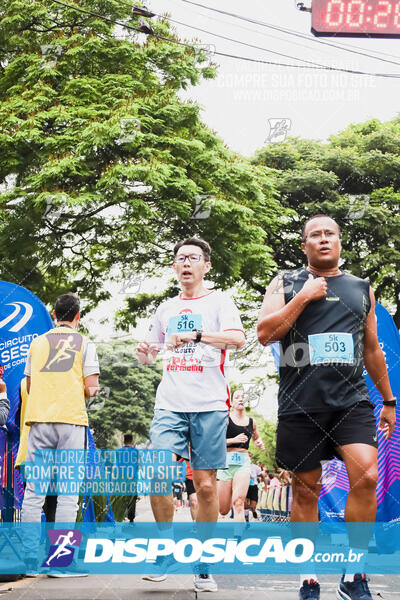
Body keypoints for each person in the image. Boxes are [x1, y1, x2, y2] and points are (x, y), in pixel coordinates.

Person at [257, 215, 396, 600]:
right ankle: (309, 578)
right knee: (306, 491)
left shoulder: (360, 288)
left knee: (367, 475)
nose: (322, 240)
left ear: (339, 242)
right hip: (299, 404)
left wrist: (388, 400)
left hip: (351, 402)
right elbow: (265, 333)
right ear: (304, 246)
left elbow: (371, 349)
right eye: (314, 235)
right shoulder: (285, 283)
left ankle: (354, 575)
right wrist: (303, 297)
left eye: (329, 234)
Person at [137, 237, 245, 592]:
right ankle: (165, 547)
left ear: (206, 265)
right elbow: (150, 354)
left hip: (210, 404)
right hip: (170, 402)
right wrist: (145, 353)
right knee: (156, 473)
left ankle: (203, 561)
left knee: (206, 486)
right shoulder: (165, 309)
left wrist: (195, 335)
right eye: (180, 258)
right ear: (174, 267)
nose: (186, 263)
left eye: (193, 258)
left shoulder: (220, 301)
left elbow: (237, 340)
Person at [21, 292, 100, 577]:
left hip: (39, 421)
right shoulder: (85, 343)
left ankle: (30, 561)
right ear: (77, 316)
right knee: (67, 493)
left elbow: (29, 385)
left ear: (54, 315)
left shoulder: (37, 343)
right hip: (71, 422)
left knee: (34, 492)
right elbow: (92, 387)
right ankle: (60, 562)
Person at [217, 388, 264, 522]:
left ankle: (238, 537)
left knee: (238, 502)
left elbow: (257, 438)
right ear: (231, 403)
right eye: (237, 397)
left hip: (243, 462)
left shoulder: (252, 422)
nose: (241, 399)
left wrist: (259, 443)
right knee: (223, 509)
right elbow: (214, 442)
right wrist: (233, 440)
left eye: (243, 397)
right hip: (225, 462)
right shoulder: (225, 420)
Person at [121, 433, 138, 523]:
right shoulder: (136, 452)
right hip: (133, 478)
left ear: (124, 441)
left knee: (122, 497)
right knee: (132, 498)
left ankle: (122, 515)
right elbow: (138, 466)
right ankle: (131, 518)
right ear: (131, 441)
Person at [245, 453, 267, 520]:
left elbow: (262, 477)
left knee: (253, 505)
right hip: (245, 486)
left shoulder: (255, 467)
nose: (248, 458)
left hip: (254, 487)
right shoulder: (241, 467)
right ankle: (246, 517)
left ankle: (252, 509)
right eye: (247, 456)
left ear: (251, 457)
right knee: (244, 504)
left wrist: (263, 486)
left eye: (250, 456)